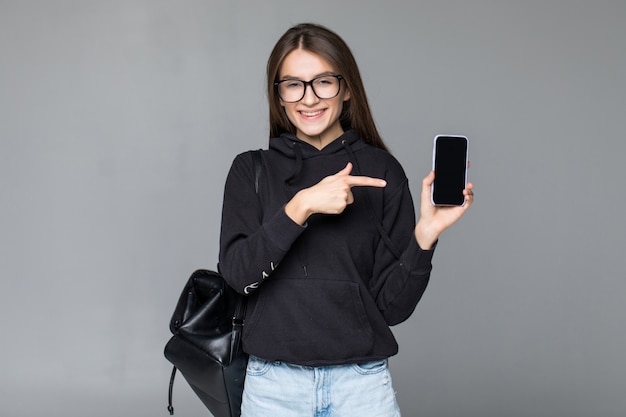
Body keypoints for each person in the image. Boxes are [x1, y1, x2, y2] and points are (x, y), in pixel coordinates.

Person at [218, 22, 474, 417]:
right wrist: (299, 207)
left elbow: (392, 310)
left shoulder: (382, 171)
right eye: (293, 85)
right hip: (274, 388)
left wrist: (425, 236)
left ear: (347, 88)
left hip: (361, 387)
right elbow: (238, 275)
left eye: (323, 82)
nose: (309, 98)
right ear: (279, 96)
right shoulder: (251, 171)